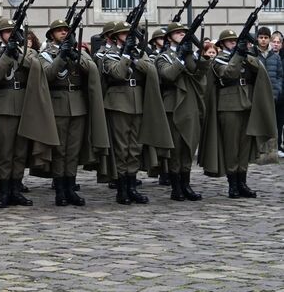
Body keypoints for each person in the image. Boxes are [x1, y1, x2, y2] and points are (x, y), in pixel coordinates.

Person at [0, 18, 57, 208]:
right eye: (7, 32)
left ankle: (16, 189)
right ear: (0, 35)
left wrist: (18, 52)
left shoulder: (28, 52)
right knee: (5, 152)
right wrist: (7, 55)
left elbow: (36, 67)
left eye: (13, 31)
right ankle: (4, 190)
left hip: (25, 106)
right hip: (2, 107)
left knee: (20, 152)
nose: (10, 34)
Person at [100, 21, 173, 205]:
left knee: (135, 148)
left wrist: (135, 58)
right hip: (118, 103)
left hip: (138, 103)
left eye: (130, 34)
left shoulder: (140, 52)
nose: (128, 37)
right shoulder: (109, 54)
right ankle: (122, 189)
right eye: (125, 34)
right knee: (121, 148)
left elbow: (150, 69)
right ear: (116, 37)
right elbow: (117, 73)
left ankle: (132, 186)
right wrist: (125, 55)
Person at [39, 19, 109, 207]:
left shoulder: (78, 51)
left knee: (73, 151)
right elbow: (47, 75)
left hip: (78, 105)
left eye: (66, 30)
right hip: (58, 105)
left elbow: (91, 69)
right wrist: (61, 56)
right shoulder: (46, 54)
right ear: (51, 35)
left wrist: (75, 54)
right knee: (60, 150)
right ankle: (60, 190)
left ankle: (71, 187)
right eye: (59, 30)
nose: (63, 33)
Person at [200, 29, 277, 198]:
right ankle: (233, 184)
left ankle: (242, 182)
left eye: (235, 40)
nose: (233, 43)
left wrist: (245, 53)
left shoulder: (243, 56)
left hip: (247, 104)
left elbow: (258, 68)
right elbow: (229, 73)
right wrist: (238, 54)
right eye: (230, 41)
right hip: (228, 106)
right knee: (231, 147)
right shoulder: (218, 59)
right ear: (222, 44)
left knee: (244, 147)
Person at [156, 22, 210, 201]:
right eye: (177, 32)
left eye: (183, 32)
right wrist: (179, 58)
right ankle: (176, 187)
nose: (181, 34)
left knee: (188, 146)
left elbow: (199, 73)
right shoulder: (163, 57)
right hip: (173, 105)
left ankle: (186, 184)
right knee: (176, 147)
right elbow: (168, 75)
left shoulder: (188, 55)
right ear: (169, 37)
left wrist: (196, 53)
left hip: (189, 105)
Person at [272, 31, 284, 157]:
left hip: (281, 96)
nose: (276, 44)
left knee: (280, 122)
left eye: (278, 42)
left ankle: (278, 145)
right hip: (270, 95)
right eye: (274, 42)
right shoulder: (268, 56)